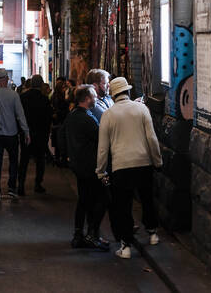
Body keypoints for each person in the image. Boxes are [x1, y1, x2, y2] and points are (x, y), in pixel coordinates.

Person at [96, 77, 162, 259]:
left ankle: (125, 246)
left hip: (121, 166)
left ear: (113, 94)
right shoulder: (142, 109)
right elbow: (152, 139)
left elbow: (103, 147)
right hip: (143, 162)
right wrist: (157, 161)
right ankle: (153, 233)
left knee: (123, 206)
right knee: (147, 198)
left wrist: (100, 171)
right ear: (127, 91)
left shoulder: (108, 114)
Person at [64, 85, 110, 251]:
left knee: (84, 200)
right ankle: (92, 234)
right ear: (87, 99)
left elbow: (63, 137)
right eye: (94, 96)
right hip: (90, 165)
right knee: (102, 198)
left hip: (78, 164)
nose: (96, 98)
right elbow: (101, 138)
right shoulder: (86, 119)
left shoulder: (72, 116)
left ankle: (78, 235)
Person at [0, 68, 30, 202]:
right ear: (7, 79)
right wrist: (26, 132)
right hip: (11, 134)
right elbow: (20, 115)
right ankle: (11, 188)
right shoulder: (14, 95)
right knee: (13, 161)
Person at [18, 74, 52, 194]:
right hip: (41, 134)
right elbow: (48, 118)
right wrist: (47, 133)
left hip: (26, 133)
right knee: (40, 160)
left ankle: (21, 185)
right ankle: (38, 184)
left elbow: (19, 115)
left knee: (24, 160)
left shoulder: (23, 97)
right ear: (41, 84)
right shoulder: (44, 99)